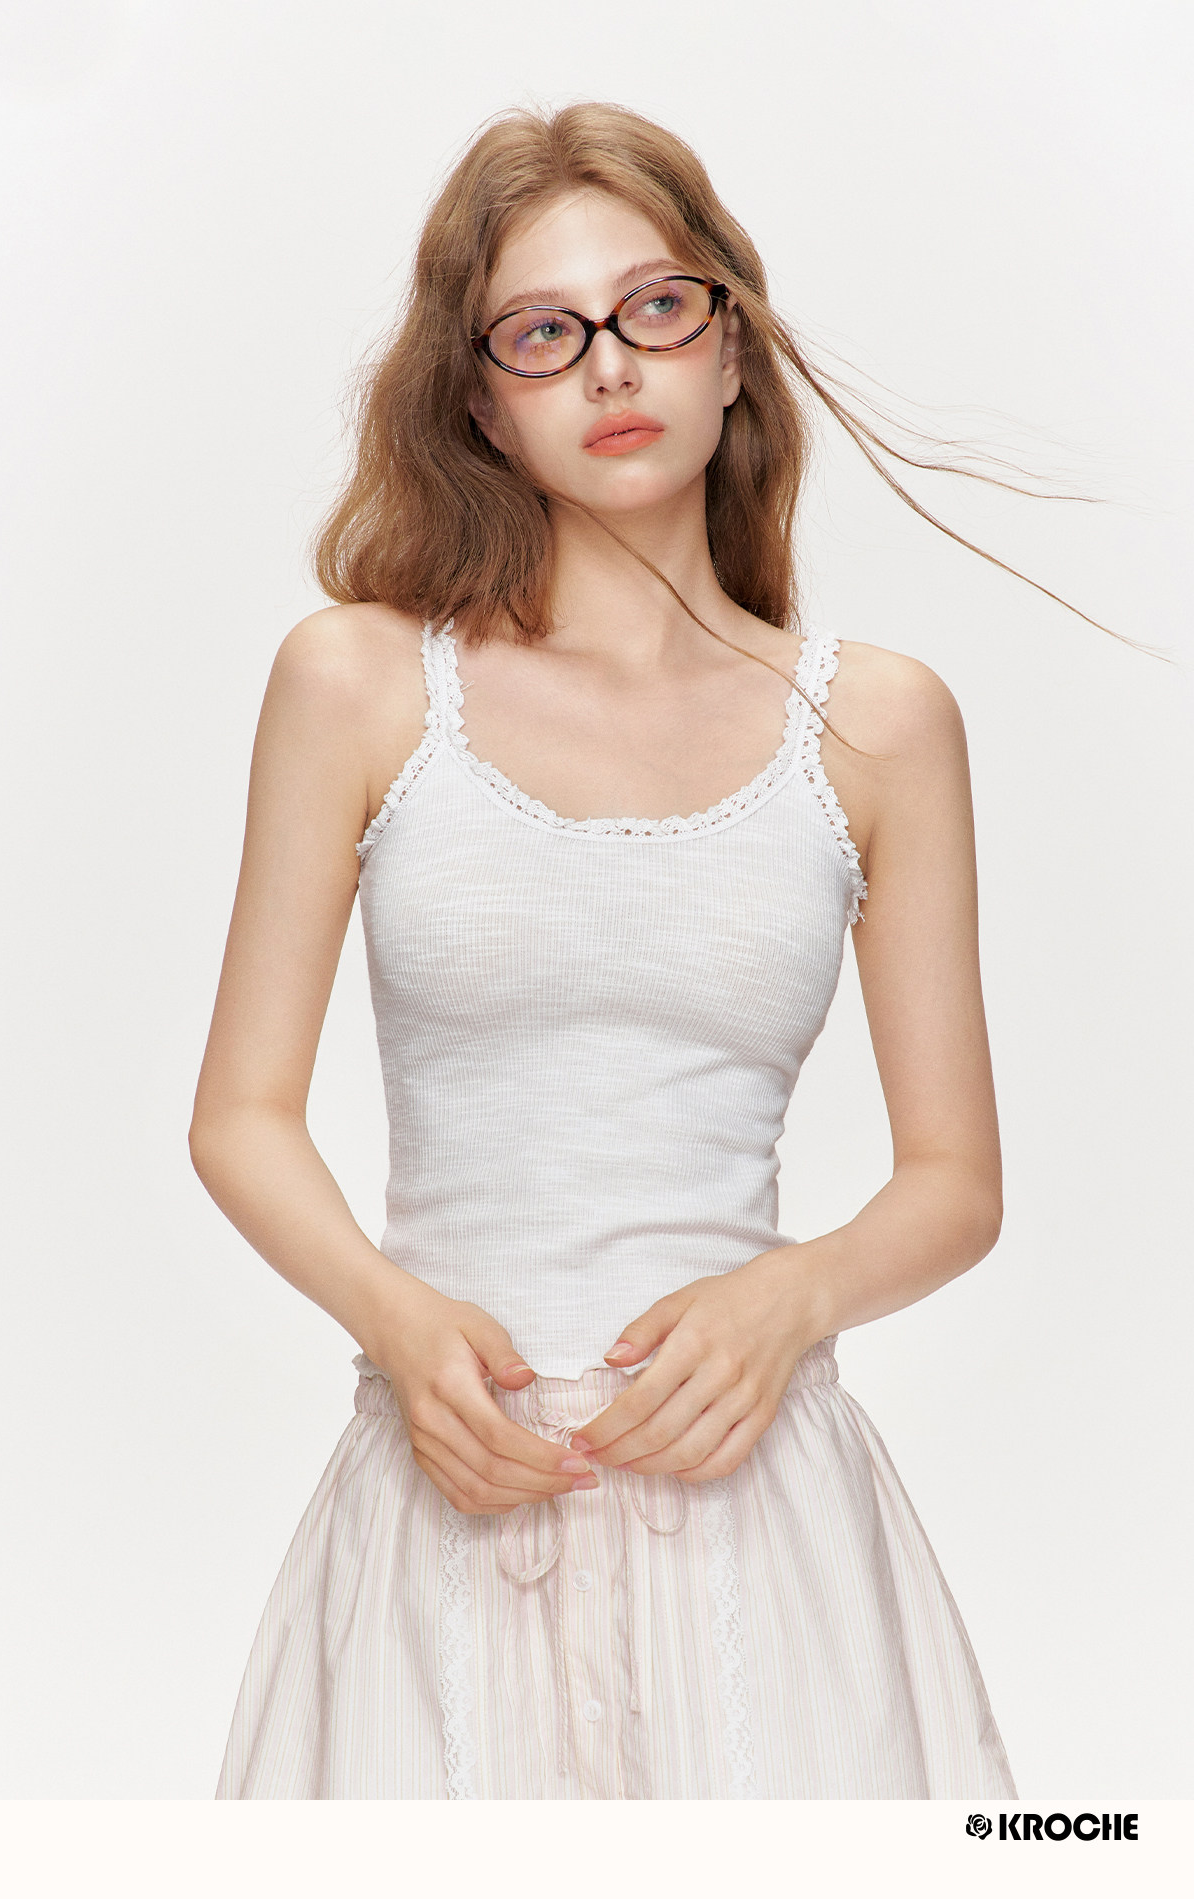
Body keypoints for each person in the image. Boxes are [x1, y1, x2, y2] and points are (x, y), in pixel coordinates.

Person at [192, 101, 1026, 1800]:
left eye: (656, 306)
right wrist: (397, 1326)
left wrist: (793, 1299)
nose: (611, 366)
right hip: (447, 1503)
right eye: (543, 332)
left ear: (734, 345)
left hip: (764, 1520)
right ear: (480, 401)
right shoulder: (358, 683)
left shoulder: (877, 725)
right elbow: (239, 1119)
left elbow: (956, 1182)